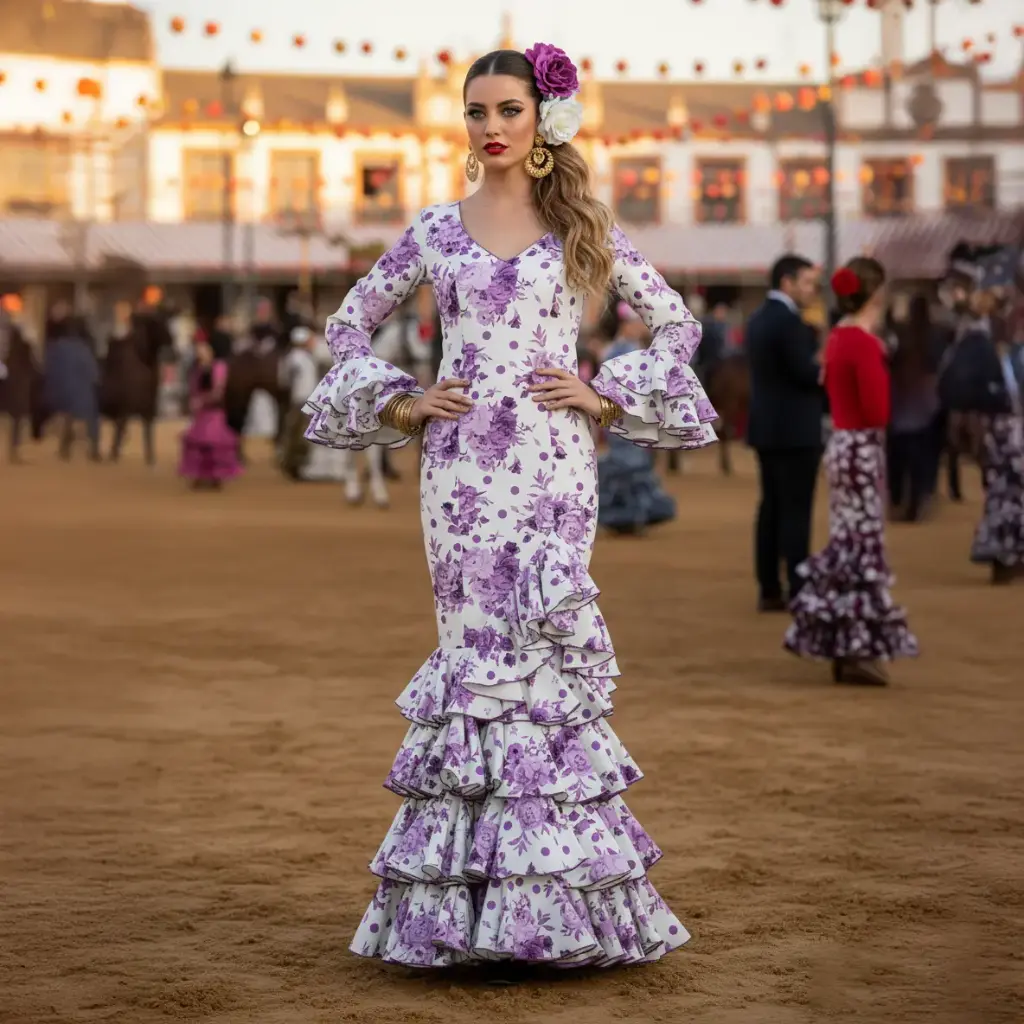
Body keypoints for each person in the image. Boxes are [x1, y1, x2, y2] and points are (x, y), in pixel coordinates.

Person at [303, 43, 716, 970]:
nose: (490, 128)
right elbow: (345, 325)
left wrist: (604, 396)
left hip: (551, 469)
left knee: (542, 656)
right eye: (475, 112)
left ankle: (554, 909)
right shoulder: (434, 232)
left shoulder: (582, 227)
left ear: (543, 121)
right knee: (474, 658)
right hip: (454, 476)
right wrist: (405, 402)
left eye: (507, 111)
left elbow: (677, 321)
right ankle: (470, 910)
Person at [784, 258, 918, 686]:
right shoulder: (863, 342)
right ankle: (856, 647)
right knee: (863, 544)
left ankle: (844, 641)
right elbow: (878, 410)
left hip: (840, 444)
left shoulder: (838, 337)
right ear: (877, 294)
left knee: (846, 541)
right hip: (862, 447)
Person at [940, 246, 1024, 584]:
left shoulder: (986, 330)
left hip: (1000, 418)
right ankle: (1008, 555)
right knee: (1009, 487)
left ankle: (1007, 554)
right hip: (1005, 418)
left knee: (1005, 488)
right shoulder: (985, 332)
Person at [745, 254, 824, 612]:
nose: (812, 290)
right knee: (796, 510)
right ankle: (798, 585)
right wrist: (824, 364)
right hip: (796, 431)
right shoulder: (791, 322)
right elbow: (806, 375)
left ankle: (768, 586)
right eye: (807, 282)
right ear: (787, 282)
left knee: (771, 507)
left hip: (767, 427)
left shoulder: (758, 319)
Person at [597, 302, 677, 534]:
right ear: (627, 324)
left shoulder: (618, 350)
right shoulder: (626, 351)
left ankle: (626, 517)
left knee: (629, 466)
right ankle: (630, 516)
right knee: (631, 465)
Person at [887, 294, 940, 522]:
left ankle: (897, 498)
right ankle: (917, 502)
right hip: (925, 402)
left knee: (897, 455)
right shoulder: (935, 335)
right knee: (921, 457)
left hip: (900, 400)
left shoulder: (901, 334)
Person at [178, 332, 241, 490]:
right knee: (198, 444)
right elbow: (193, 389)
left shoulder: (218, 367)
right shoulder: (197, 370)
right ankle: (201, 475)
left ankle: (215, 476)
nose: (201, 352)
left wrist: (201, 400)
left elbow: (218, 391)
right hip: (202, 413)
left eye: (203, 349)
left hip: (213, 412)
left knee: (213, 443)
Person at [44, 304, 101, 462]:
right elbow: (93, 372)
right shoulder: (83, 348)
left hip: (62, 391)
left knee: (68, 418)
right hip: (82, 392)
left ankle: (65, 448)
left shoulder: (56, 347)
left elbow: (49, 369)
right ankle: (94, 449)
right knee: (92, 419)